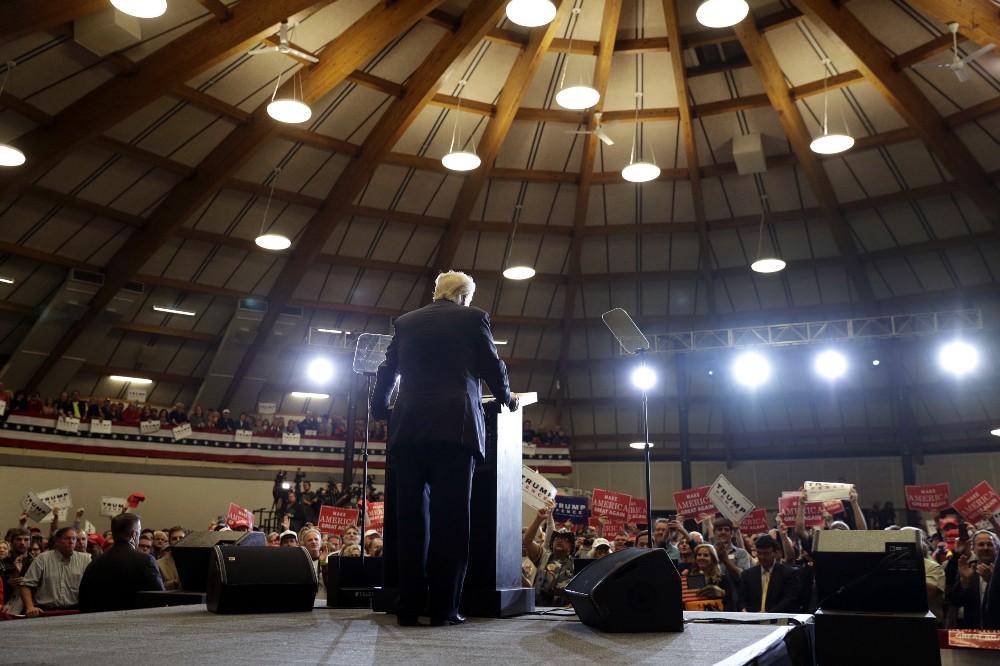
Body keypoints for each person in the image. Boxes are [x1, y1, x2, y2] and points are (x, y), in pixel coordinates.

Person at [372, 270, 517, 628]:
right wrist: (507, 397)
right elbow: (491, 366)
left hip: (408, 431)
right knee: (450, 524)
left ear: (437, 292)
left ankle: (408, 608)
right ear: (464, 296)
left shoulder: (406, 322)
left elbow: (387, 370)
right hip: (455, 430)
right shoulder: (474, 318)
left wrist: (379, 410)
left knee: (410, 524)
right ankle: (443, 610)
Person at [78, 513, 164, 612]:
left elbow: (83, 601)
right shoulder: (146, 561)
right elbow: (159, 599)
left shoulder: (94, 563)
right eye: (139, 532)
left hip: (99, 624)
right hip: (134, 624)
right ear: (134, 534)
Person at [19, 527, 91, 617]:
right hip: (46, 612)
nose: (71, 541)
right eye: (67, 538)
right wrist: (30, 607)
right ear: (57, 541)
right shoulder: (43, 559)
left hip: (74, 612)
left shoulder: (86, 559)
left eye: (74, 539)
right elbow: (26, 585)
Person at [738, 534, 801, 613]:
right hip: (752, 619)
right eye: (759, 553)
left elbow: (789, 599)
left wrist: (769, 614)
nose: (762, 557)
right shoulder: (747, 575)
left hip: (778, 619)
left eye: (766, 553)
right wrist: (744, 609)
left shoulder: (788, 574)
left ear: (774, 553)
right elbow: (742, 600)